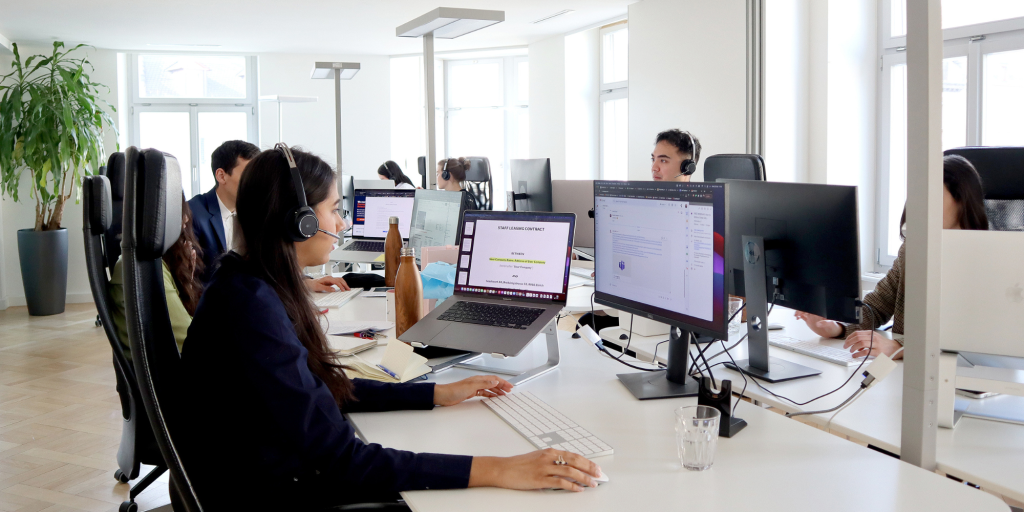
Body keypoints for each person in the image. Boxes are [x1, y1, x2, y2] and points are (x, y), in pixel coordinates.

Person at [178, 146, 602, 509]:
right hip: (270, 494)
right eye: (334, 210)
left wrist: (434, 393)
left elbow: (319, 390)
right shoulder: (251, 308)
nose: (341, 224)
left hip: (260, 473)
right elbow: (345, 460)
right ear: (300, 221)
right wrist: (498, 468)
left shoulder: (247, 284)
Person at [795, 154, 989, 359]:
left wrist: (898, 347)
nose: (920, 206)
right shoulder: (912, 250)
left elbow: (970, 334)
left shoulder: (987, 260)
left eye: (932, 197)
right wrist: (837, 326)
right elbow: (876, 307)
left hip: (959, 371)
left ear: (963, 201)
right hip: (908, 368)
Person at [190, 140, 348, 292]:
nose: (256, 183)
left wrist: (300, 283)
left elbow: (266, 267)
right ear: (221, 176)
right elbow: (190, 283)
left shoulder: (258, 213)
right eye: (248, 175)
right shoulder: (193, 216)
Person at [109, 194, 203, 359]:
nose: (187, 218)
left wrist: (188, 282)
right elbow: (192, 339)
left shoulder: (147, 262)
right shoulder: (144, 270)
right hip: (172, 369)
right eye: (180, 210)